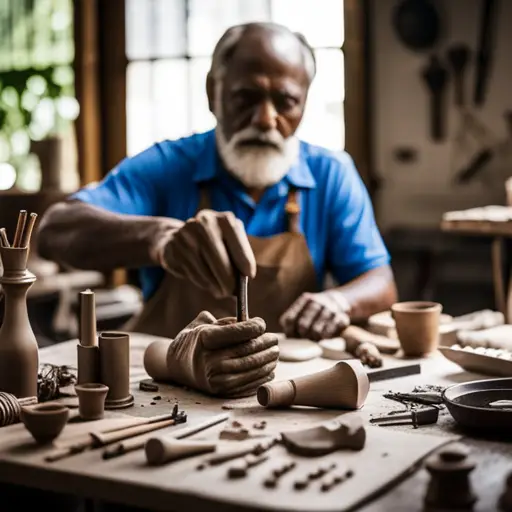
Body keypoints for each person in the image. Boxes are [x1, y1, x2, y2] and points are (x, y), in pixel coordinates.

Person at [38, 21, 397, 398]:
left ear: (305, 100)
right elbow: (54, 230)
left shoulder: (331, 175)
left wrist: (339, 300)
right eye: (246, 98)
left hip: (283, 391)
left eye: (285, 101)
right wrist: (159, 237)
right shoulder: (168, 167)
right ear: (213, 93)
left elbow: (380, 281)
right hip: (168, 392)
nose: (265, 119)